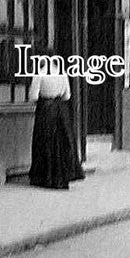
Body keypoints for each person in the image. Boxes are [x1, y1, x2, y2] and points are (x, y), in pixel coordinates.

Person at [27, 48, 84, 189]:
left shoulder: (40, 74)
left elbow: (33, 96)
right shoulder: (62, 73)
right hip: (61, 110)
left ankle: (45, 177)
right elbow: (67, 95)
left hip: (46, 110)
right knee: (61, 142)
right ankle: (62, 176)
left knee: (45, 141)